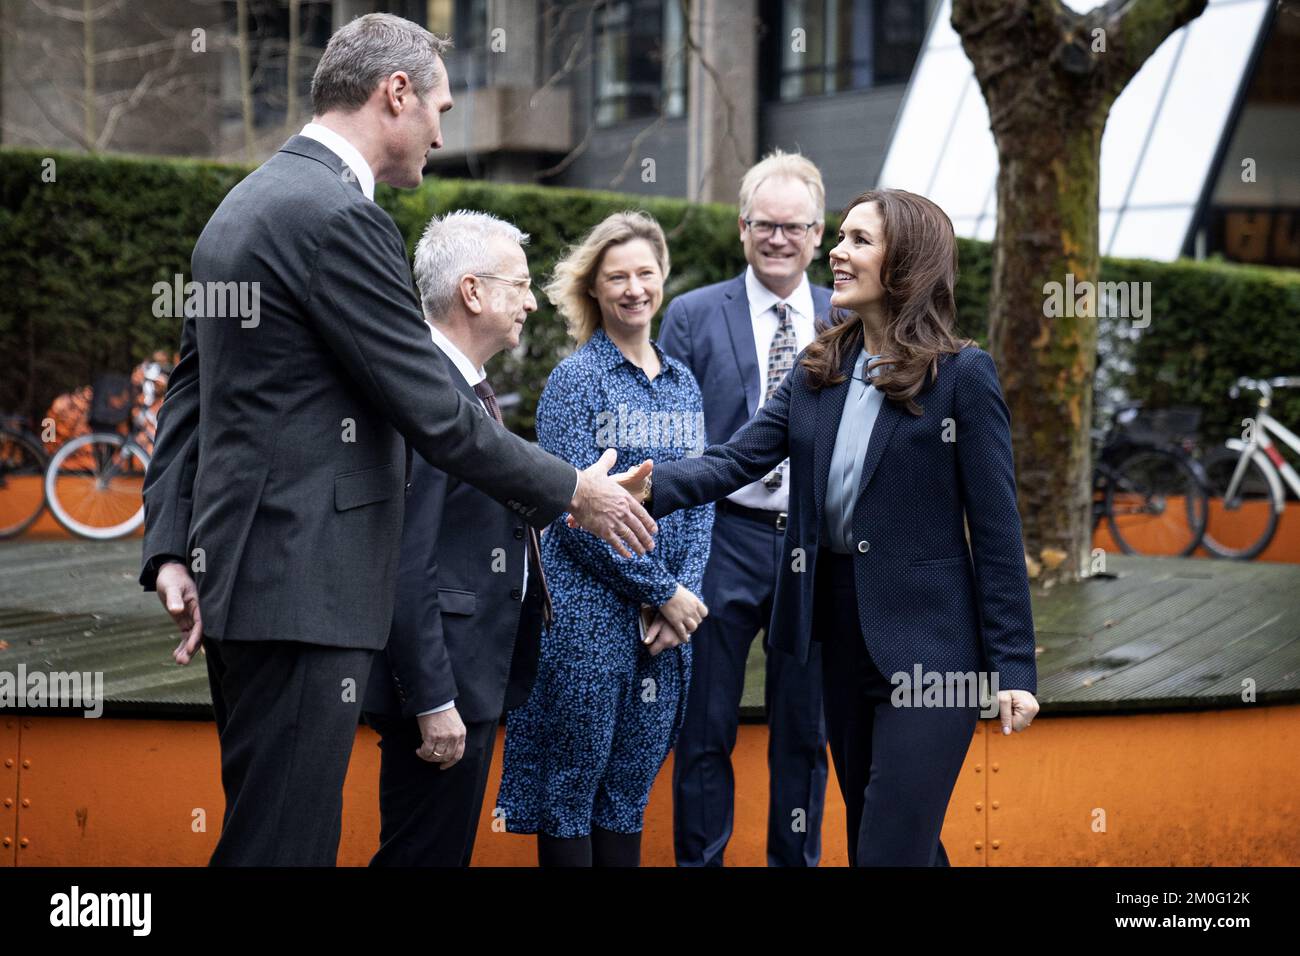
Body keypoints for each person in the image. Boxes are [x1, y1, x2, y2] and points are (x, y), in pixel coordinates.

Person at [139, 14, 655, 867]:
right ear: (396, 93)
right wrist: (577, 491)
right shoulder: (338, 219)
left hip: (244, 583)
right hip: (307, 591)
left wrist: (170, 548)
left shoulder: (243, 204)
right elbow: (438, 414)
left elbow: (192, 396)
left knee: (267, 833)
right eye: (440, 108)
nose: (443, 135)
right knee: (283, 849)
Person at [621, 189, 1041, 866]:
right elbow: (737, 458)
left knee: (885, 850)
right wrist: (643, 490)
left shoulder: (963, 376)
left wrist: (1015, 665)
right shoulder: (821, 367)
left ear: (906, 261)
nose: (837, 255)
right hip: (839, 638)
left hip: (934, 652)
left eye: (858, 241)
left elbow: (996, 531)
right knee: (889, 836)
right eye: (840, 238)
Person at [496, 212, 715, 867]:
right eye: (616, 276)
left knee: (627, 796)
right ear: (593, 289)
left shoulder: (684, 383)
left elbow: (699, 497)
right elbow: (578, 515)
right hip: (588, 619)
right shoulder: (575, 381)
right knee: (572, 794)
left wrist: (683, 597)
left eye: (644, 273)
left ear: (663, 279)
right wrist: (662, 590)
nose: (633, 288)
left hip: (662, 630)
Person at [658, 149, 831, 867]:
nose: (779, 239)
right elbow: (666, 439)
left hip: (815, 546)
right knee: (703, 729)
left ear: (819, 234)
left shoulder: (849, 318)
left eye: (795, 227)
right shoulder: (692, 316)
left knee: (804, 730)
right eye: (766, 224)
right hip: (720, 539)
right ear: (742, 228)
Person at [362, 211, 551, 866]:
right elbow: (405, 560)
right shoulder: (430, 392)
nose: (532, 300)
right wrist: (433, 698)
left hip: (468, 677)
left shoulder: (461, 387)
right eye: (520, 284)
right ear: (472, 291)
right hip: (443, 687)